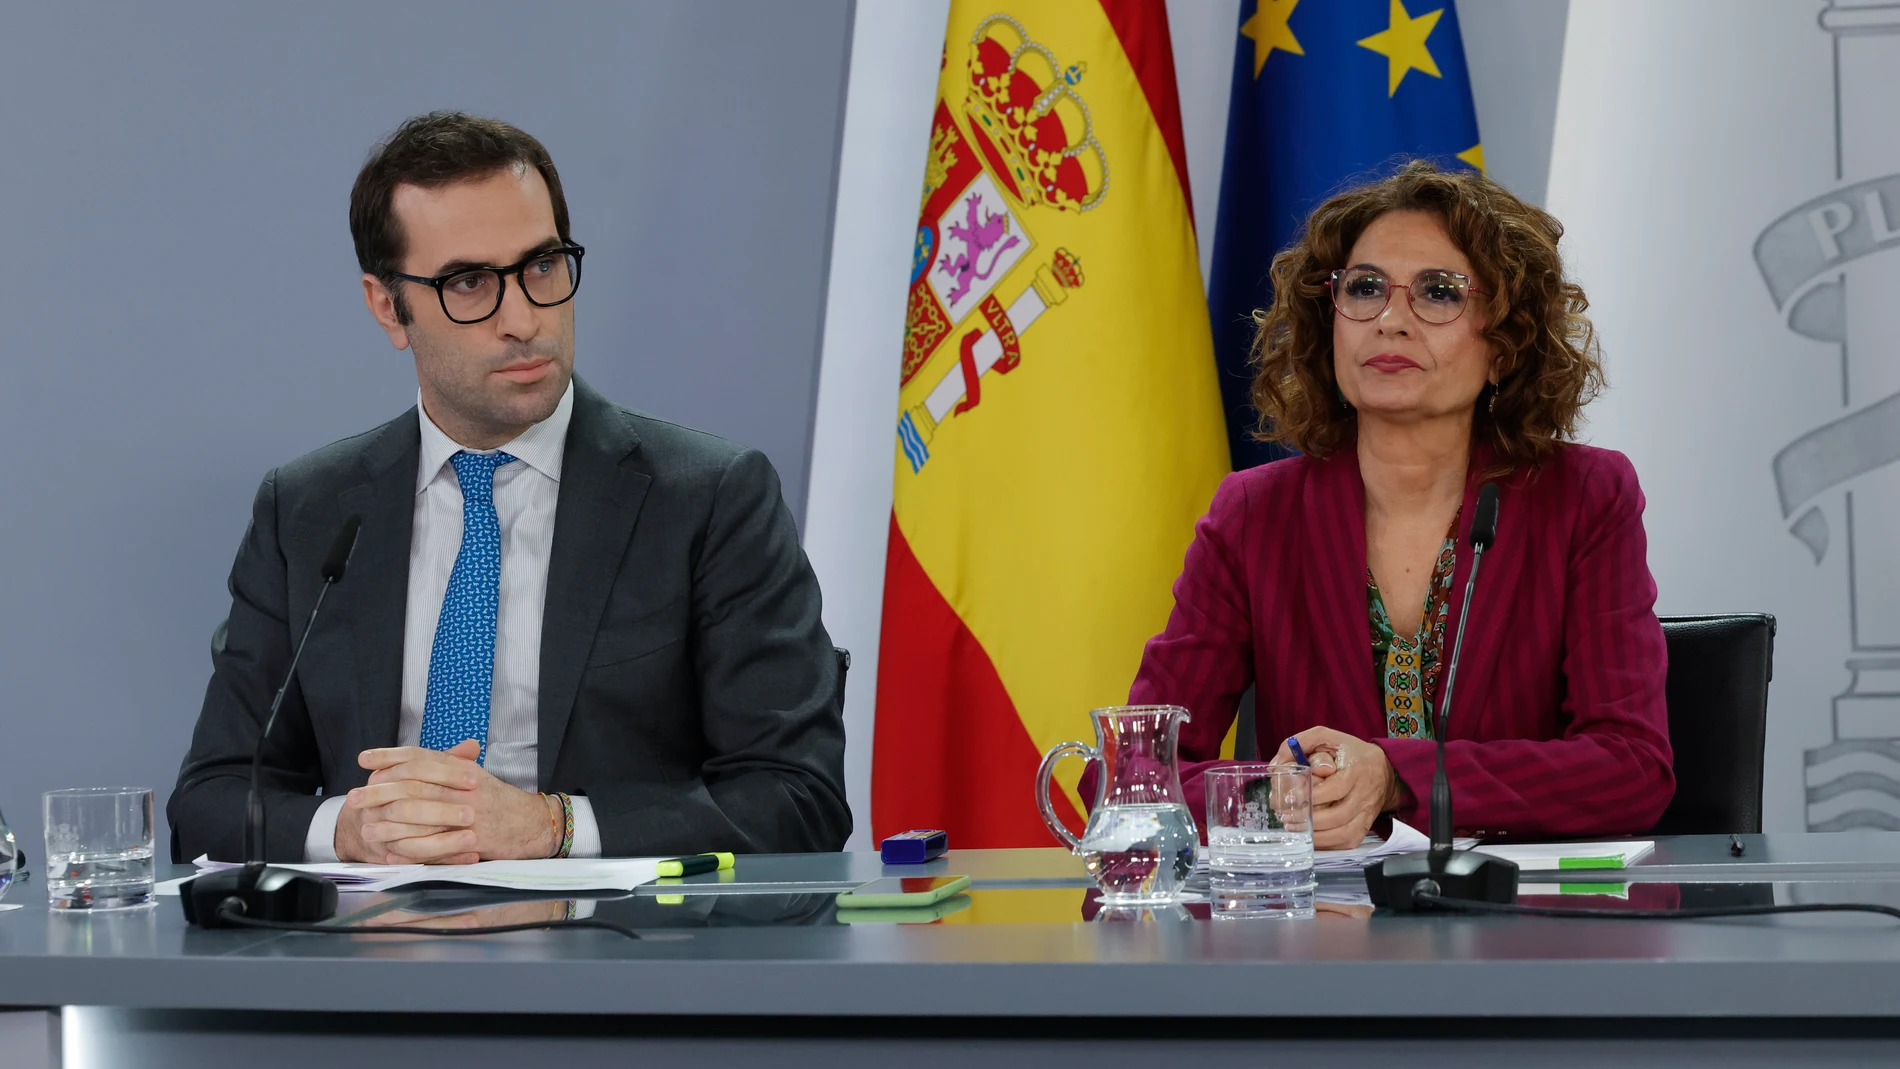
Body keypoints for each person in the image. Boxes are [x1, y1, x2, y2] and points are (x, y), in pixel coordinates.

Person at [170, 112, 849, 863]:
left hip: (612, 957)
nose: (523, 318)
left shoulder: (711, 499)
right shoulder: (306, 512)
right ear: (388, 306)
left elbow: (798, 797)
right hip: (365, 959)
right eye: (468, 282)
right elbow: (212, 799)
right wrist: (353, 828)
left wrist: (548, 826)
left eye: (543, 265)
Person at [1130, 160, 1672, 849]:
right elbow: (1133, 774)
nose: (1390, 321)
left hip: (1521, 934)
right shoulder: (1253, 515)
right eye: (1364, 289)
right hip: (1318, 939)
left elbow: (1631, 769)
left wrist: (1394, 775)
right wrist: (1286, 801)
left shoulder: (1586, 499)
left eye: (1438, 293)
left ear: (1505, 344)